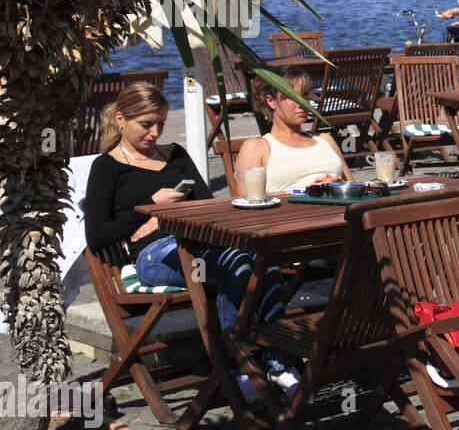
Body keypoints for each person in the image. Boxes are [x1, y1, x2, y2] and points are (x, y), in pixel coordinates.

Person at [82, 82, 297, 395]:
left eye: (161, 124)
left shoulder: (176, 155)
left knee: (263, 260)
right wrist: (149, 211)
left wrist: (166, 217)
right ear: (120, 120)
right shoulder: (108, 167)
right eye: (146, 125)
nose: (154, 133)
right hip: (153, 255)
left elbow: (208, 203)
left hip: (199, 243)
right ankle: (240, 366)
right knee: (235, 264)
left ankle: (278, 362)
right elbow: (97, 236)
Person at [231, 69, 353, 195]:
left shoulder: (324, 139)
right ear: (271, 101)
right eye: (292, 97)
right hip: (293, 213)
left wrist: (338, 184)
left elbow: (352, 185)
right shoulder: (257, 147)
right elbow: (248, 200)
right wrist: (307, 191)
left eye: (305, 96)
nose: (302, 103)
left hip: (339, 211)